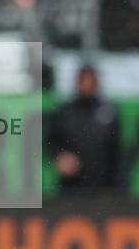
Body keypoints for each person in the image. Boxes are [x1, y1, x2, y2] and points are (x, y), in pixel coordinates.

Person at [49, 65, 120, 193]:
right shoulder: (65, 112)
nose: (87, 85)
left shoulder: (109, 112)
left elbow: (116, 150)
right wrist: (60, 156)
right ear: (77, 83)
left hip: (102, 185)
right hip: (71, 185)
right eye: (83, 81)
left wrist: (115, 183)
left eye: (90, 81)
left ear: (97, 83)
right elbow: (51, 142)